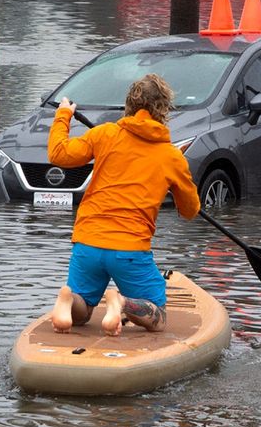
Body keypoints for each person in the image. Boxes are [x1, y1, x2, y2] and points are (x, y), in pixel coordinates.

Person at [47, 73, 201, 337]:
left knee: (83, 311)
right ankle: (120, 302)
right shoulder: (171, 156)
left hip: (87, 245)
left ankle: (68, 300)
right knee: (159, 315)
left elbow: (58, 153)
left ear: (128, 106)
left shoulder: (105, 134)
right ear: (163, 111)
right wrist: (177, 188)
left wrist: (63, 115)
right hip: (129, 250)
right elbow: (189, 211)